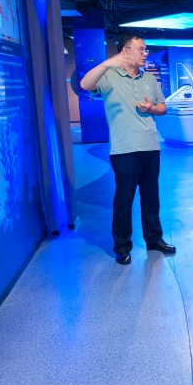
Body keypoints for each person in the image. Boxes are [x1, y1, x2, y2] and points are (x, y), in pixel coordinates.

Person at [80, 32, 175, 265]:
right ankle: (122, 246)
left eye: (145, 49)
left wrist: (151, 109)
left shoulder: (148, 78)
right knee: (124, 199)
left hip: (150, 146)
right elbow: (85, 84)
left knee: (151, 197)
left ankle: (154, 239)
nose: (145, 53)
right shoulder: (109, 76)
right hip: (124, 149)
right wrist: (107, 63)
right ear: (125, 51)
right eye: (141, 49)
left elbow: (163, 107)